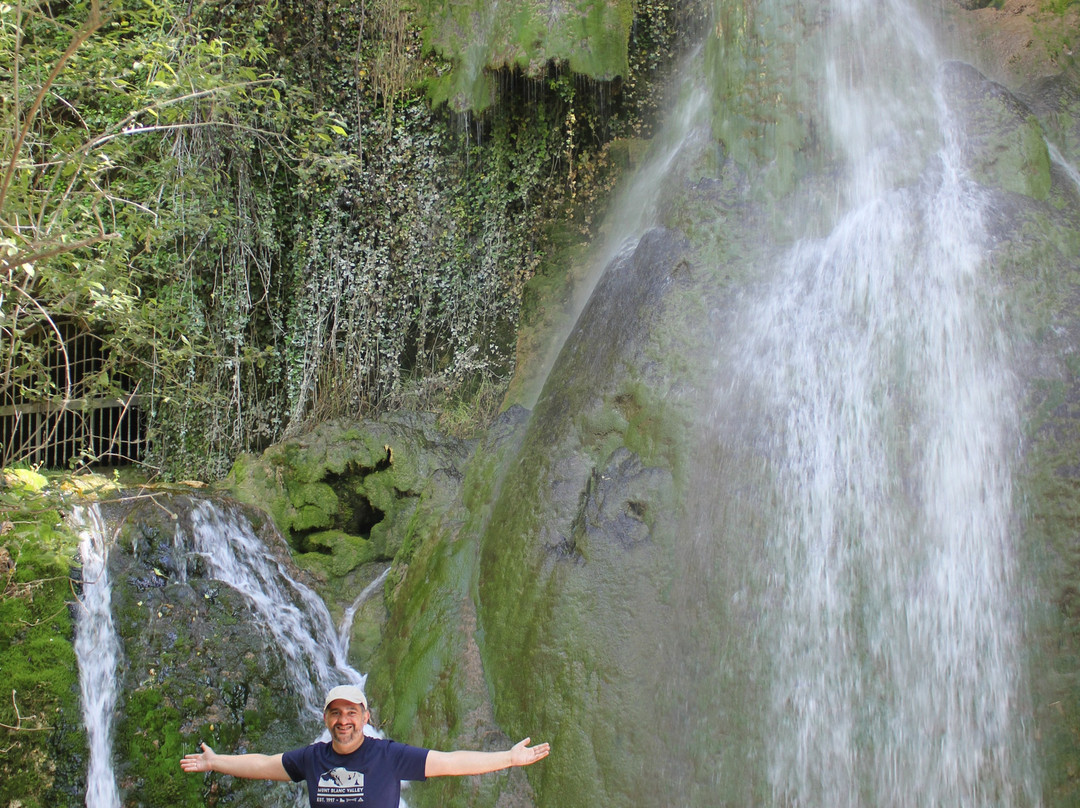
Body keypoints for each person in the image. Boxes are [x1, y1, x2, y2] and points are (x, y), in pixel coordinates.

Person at [180, 684, 550, 807]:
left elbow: (451, 761)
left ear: (366, 717)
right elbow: (262, 766)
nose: (344, 721)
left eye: (351, 713)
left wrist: (509, 759)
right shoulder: (311, 759)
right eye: (336, 713)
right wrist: (215, 763)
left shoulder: (389, 756)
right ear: (326, 719)